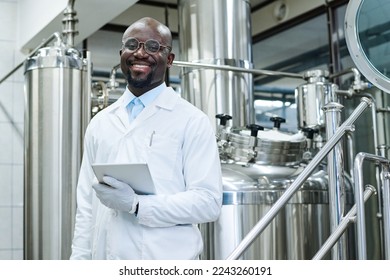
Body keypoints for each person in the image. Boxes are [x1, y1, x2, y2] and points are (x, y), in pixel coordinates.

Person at [70, 17, 223, 260]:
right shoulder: (101, 122)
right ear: (122, 53)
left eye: (153, 47)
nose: (140, 53)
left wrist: (137, 204)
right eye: (132, 45)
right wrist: (78, 263)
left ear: (169, 59)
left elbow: (208, 202)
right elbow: (86, 205)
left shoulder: (192, 121)